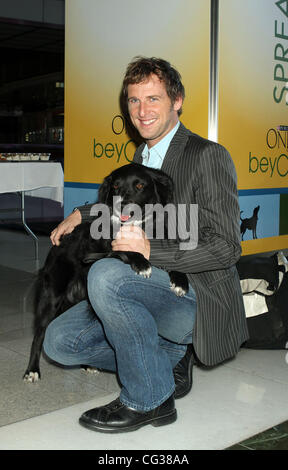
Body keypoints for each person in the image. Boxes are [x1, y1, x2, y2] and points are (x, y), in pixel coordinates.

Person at [44, 57, 248, 433]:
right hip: (156, 287)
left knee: (107, 275)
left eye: (153, 99)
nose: (142, 111)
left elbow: (226, 248)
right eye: (134, 101)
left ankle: (149, 398)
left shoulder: (207, 156)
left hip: (198, 293)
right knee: (59, 343)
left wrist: (152, 251)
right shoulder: (143, 154)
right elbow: (137, 203)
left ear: (177, 101)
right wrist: (84, 212)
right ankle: (166, 360)